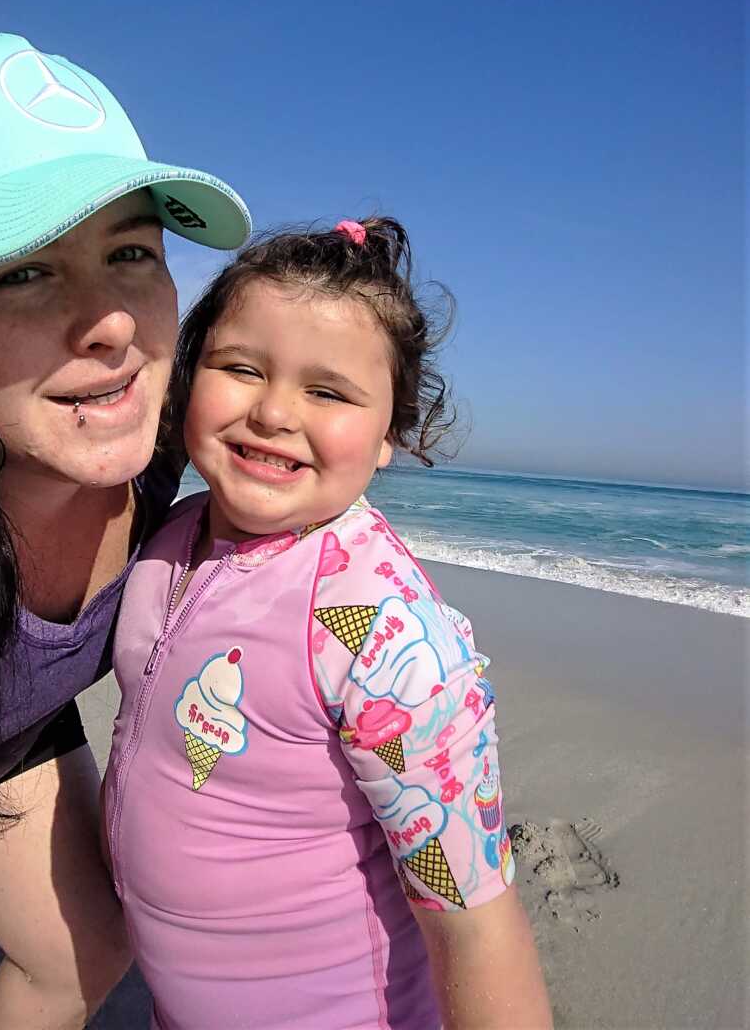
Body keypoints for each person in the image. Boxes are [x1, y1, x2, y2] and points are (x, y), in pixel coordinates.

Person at [0, 31, 250, 1030]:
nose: (111, 323)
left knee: (89, 954)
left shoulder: (161, 460)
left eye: (130, 254)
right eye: (23, 274)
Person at [105, 218, 551, 1029]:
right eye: (240, 368)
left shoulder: (386, 640)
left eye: (328, 391)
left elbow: (477, 924)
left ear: (391, 433)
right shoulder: (170, 532)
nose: (273, 411)